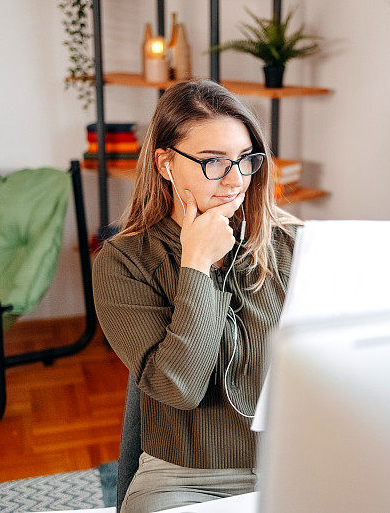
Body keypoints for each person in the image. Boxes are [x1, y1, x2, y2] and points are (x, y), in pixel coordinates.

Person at [92, 79, 300, 512]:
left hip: (297, 463)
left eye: (246, 160)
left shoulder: (290, 242)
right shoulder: (124, 261)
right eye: (213, 162)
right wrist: (197, 264)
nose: (235, 179)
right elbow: (178, 387)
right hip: (189, 477)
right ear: (166, 164)